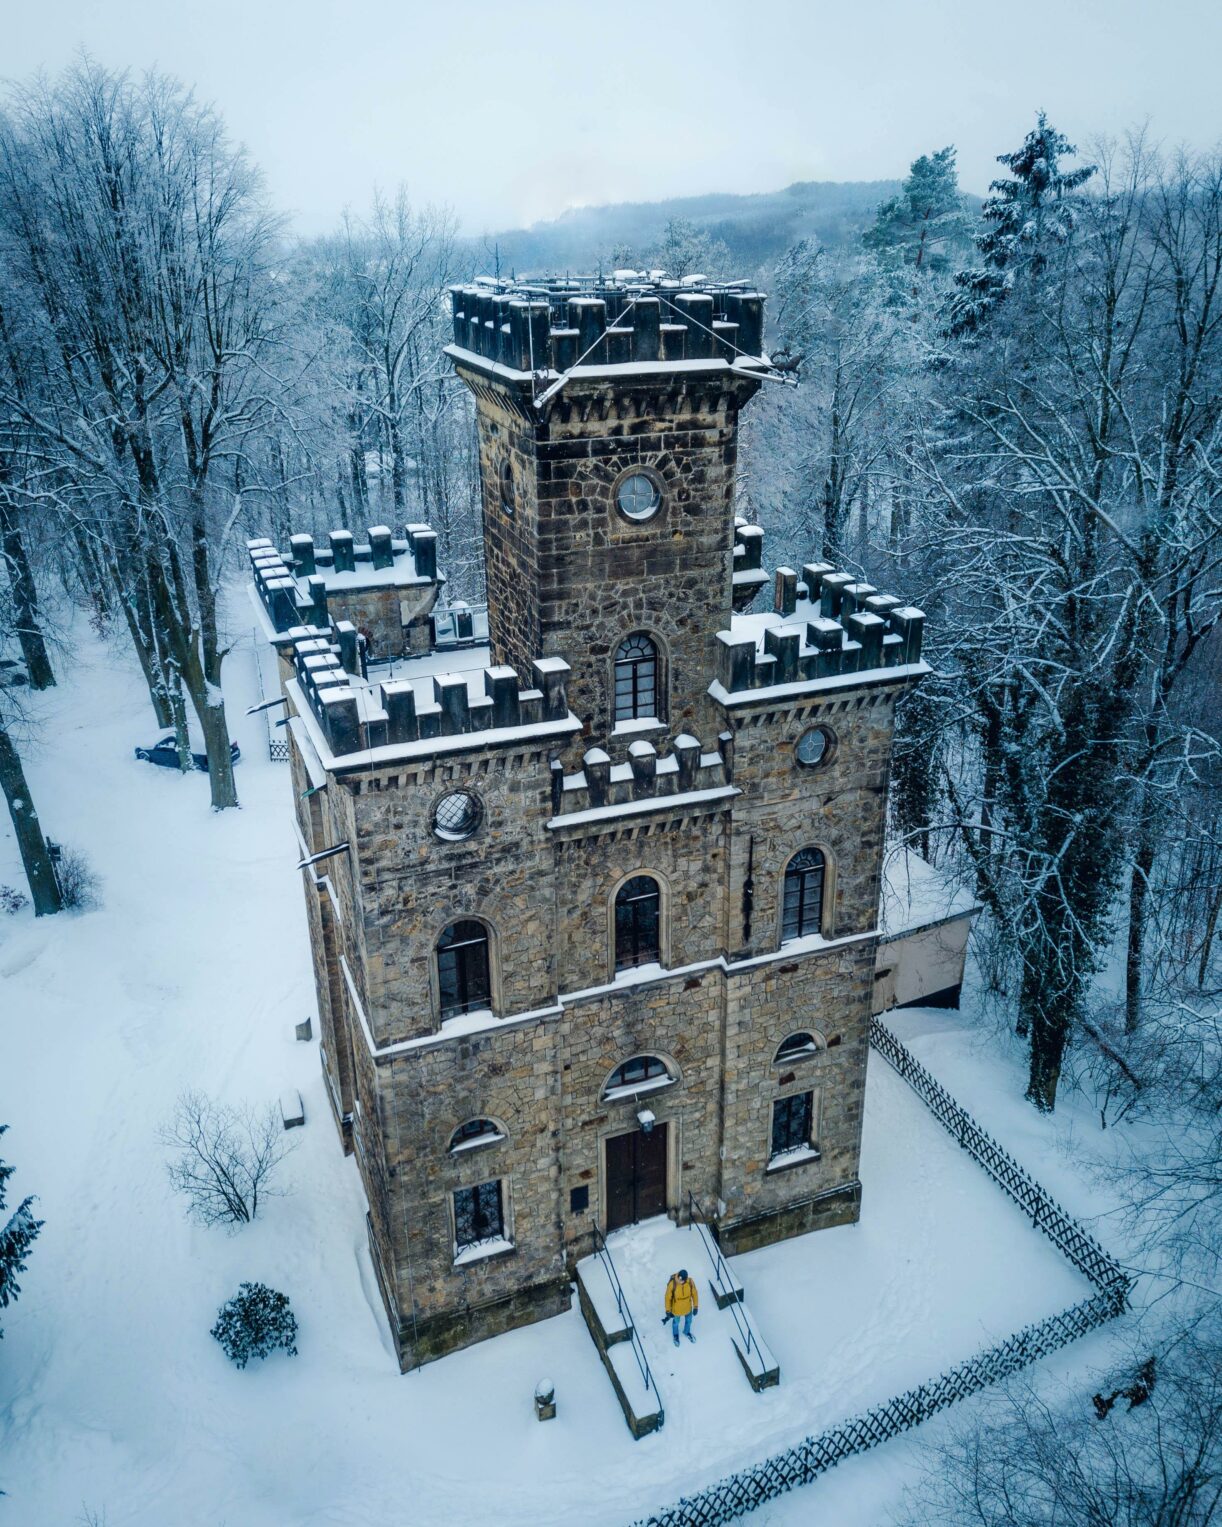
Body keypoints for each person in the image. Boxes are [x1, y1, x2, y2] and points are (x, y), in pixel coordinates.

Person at [664, 1268, 698, 1346]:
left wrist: (696, 1306)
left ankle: (686, 1332)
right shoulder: (672, 1284)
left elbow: (694, 1294)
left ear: (686, 1279)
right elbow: (667, 1298)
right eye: (679, 1279)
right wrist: (668, 1310)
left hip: (688, 1308)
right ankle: (675, 1335)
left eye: (682, 1280)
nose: (680, 1281)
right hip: (676, 1310)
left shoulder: (690, 1282)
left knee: (689, 1321)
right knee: (676, 1323)